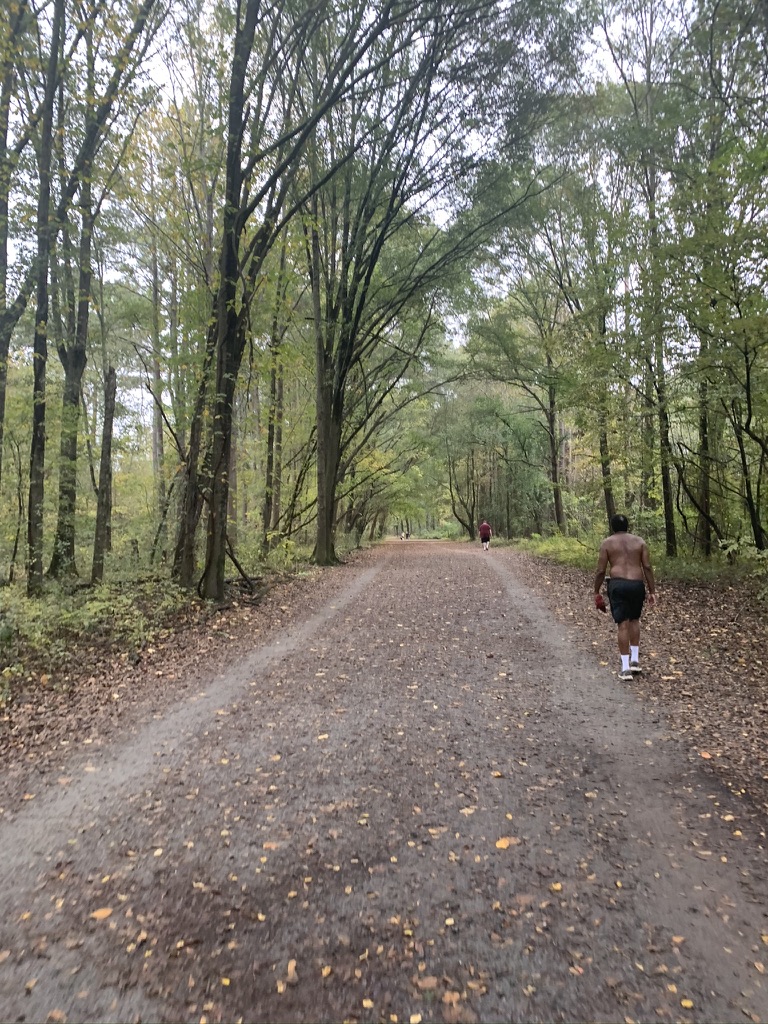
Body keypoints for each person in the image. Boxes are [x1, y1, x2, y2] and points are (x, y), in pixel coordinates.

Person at [593, 513, 657, 681]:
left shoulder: (607, 543)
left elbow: (601, 570)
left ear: (612, 527)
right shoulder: (640, 542)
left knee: (623, 624)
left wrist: (596, 590)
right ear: (627, 526)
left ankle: (625, 667)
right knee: (635, 620)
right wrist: (652, 591)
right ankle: (635, 660)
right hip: (637, 584)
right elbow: (647, 567)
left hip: (618, 584)